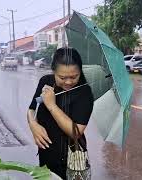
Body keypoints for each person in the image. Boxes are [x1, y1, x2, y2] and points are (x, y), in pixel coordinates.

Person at [27, 47, 94, 179]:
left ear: (80, 71)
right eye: (62, 77)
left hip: (71, 159)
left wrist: (51, 105)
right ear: (53, 71)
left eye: (74, 76)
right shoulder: (45, 81)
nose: (68, 82)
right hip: (46, 154)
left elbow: (76, 132)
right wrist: (33, 125)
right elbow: (32, 109)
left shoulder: (84, 92)